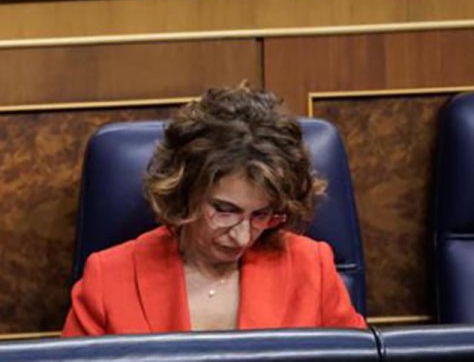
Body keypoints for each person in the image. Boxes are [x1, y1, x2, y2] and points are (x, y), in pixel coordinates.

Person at [63, 85, 365, 335]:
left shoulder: (312, 268)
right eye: (225, 210)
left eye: (261, 214)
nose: (243, 236)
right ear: (185, 190)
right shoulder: (108, 279)